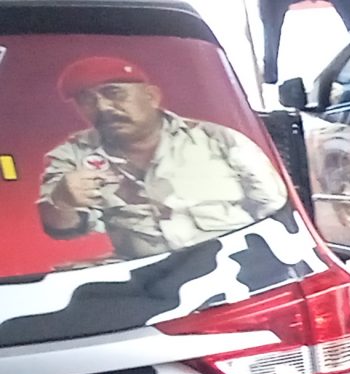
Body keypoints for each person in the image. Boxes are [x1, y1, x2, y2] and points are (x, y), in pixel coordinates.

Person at [40, 56, 288, 260]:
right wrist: (62, 201)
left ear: (151, 97)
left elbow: (276, 209)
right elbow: (61, 228)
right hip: (146, 281)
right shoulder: (73, 154)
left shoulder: (218, 140)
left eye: (113, 93)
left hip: (234, 261)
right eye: (87, 100)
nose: (103, 107)